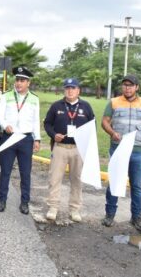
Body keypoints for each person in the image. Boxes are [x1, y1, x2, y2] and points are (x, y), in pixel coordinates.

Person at [101, 75, 141, 232]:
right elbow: (104, 121)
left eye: (131, 85)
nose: (127, 88)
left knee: (137, 185)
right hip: (118, 148)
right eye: (125, 85)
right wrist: (112, 132)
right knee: (115, 182)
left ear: (137, 87)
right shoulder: (114, 102)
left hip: (138, 150)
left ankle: (136, 217)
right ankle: (109, 215)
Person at [43, 78, 95, 222]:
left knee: (77, 179)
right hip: (60, 148)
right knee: (54, 178)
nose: (70, 91)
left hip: (78, 149)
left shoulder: (86, 107)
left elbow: (92, 127)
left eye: (73, 88)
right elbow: (47, 124)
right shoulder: (56, 106)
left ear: (78, 90)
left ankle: (75, 209)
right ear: (64, 90)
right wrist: (54, 135)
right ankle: (53, 207)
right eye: (67, 88)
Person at [0, 66, 41, 214]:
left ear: (28, 83)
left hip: (25, 139)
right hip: (9, 137)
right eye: (17, 80)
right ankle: (2, 200)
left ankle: (24, 202)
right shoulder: (6, 96)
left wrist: (37, 139)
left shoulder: (34, 99)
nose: (19, 83)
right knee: (5, 171)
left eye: (22, 80)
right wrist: (5, 125)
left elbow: (35, 121)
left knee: (25, 173)